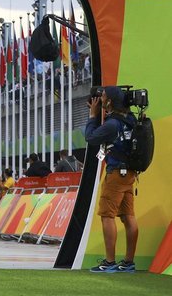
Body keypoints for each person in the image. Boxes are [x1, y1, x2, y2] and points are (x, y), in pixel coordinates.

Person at [84, 86, 139, 273]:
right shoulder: (130, 119)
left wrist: (93, 115)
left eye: (104, 96)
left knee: (108, 216)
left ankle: (109, 262)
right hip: (130, 174)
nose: (101, 98)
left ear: (110, 102)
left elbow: (90, 138)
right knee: (128, 216)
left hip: (116, 174)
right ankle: (129, 262)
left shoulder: (112, 124)